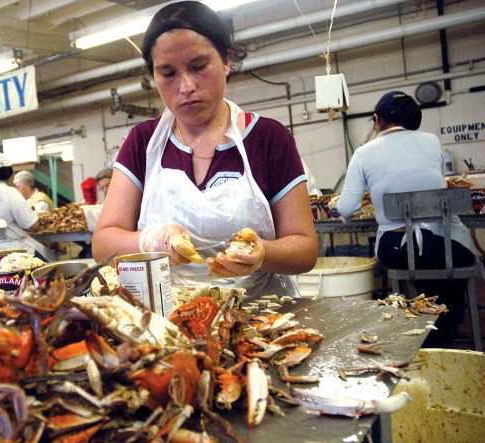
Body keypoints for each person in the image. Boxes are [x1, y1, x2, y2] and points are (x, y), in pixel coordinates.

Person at [92, 1, 318, 298]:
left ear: (226, 60)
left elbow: (305, 248)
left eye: (198, 67)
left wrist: (261, 253)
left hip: (260, 316)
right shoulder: (143, 142)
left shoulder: (267, 138)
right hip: (165, 319)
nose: (185, 86)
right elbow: (103, 243)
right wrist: (150, 241)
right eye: (168, 73)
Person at [337, 90, 476, 331]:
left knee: (417, 260)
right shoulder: (432, 141)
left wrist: (338, 208)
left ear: (377, 119)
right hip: (448, 246)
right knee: (442, 262)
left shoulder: (363, 153)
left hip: (397, 249)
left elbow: (348, 208)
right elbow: (438, 189)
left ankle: (421, 325)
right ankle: (448, 322)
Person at [0, 153, 56, 261]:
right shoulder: (10, 193)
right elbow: (32, 226)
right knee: (51, 263)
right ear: (9, 172)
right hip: (13, 253)